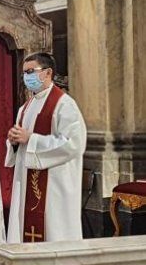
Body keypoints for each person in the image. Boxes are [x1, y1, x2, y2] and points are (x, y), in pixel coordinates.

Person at [5, 52, 87, 243]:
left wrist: (31, 139)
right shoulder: (26, 106)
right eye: (24, 73)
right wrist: (14, 141)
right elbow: (22, 141)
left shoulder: (64, 104)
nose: (27, 77)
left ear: (48, 72)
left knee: (54, 231)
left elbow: (73, 144)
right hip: (29, 181)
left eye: (31, 71)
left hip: (54, 184)